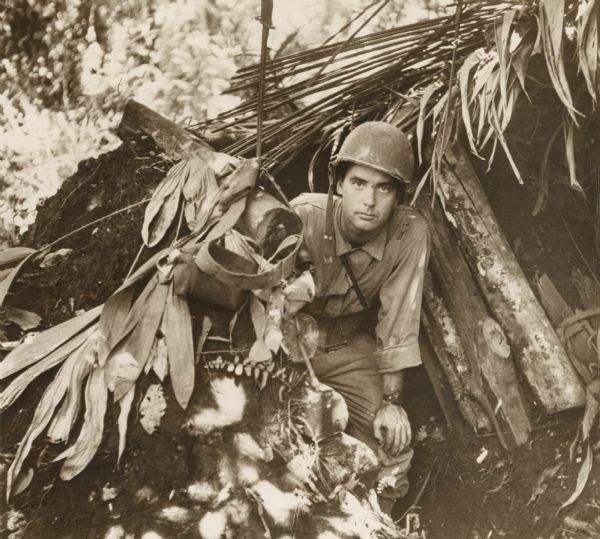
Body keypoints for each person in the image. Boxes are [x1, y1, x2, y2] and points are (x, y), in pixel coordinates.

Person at [287, 121, 431, 506]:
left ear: (398, 195)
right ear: (338, 184)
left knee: (393, 445)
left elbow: (399, 318)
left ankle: (378, 519)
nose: (369, 201)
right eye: (359, 184)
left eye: (383, 188)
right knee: (298, 440)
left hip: (350, 348)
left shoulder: (409, 232)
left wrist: (392, 403)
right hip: (293, 351)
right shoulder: (304, 216)